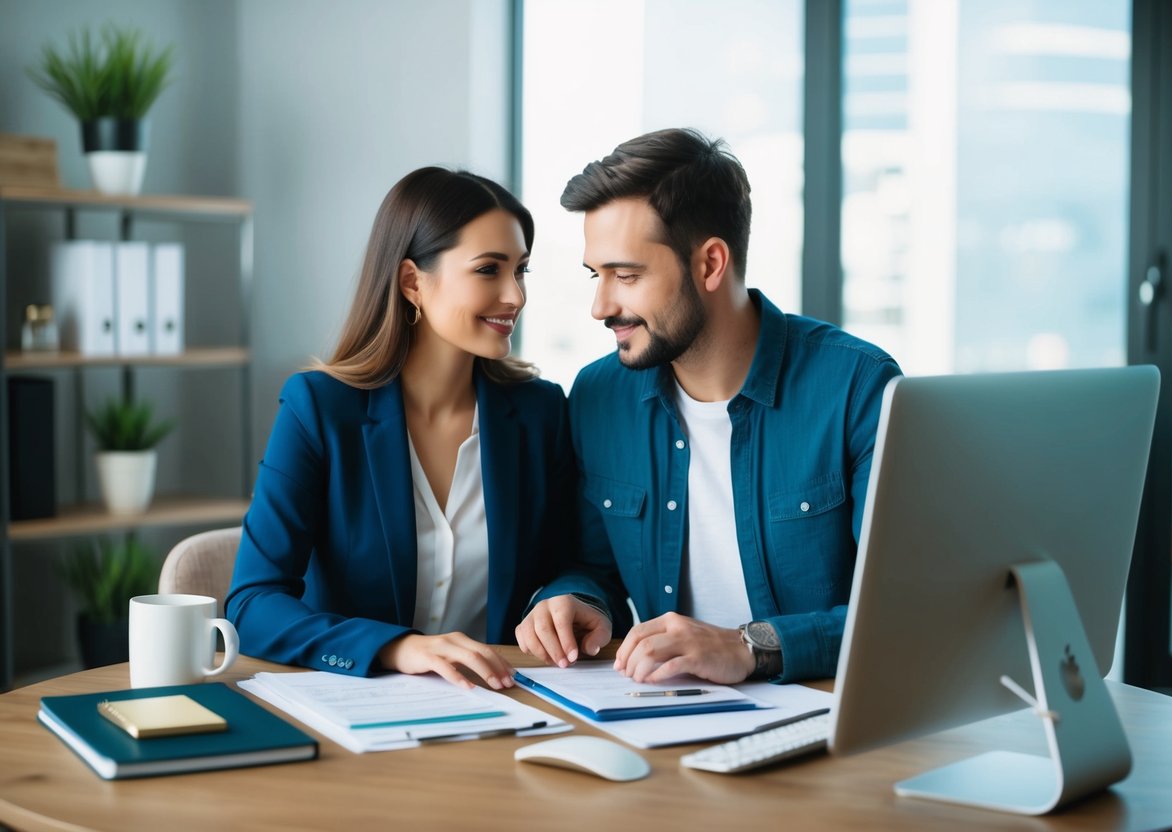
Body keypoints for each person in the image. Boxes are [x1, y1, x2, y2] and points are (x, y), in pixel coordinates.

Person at [515, 128, 902, 685]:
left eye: (626, 275)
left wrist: (751, 647)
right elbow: (590, 564)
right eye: (595, 275)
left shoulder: (858, 387)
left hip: (829, 722)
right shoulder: (599, 396)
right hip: (661, 717)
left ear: (710, 264)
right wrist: (575, 599)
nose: (601, 306)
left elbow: (901, 608)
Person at [227, 167, 574, 691]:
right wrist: (396, 647)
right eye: (488, 270)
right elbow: (252, 603)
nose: (515, 295)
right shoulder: (319, 408)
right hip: (361, 710)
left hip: (504, 706)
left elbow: (573, 564)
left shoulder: (540, 412)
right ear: (413, 281)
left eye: (521, 271)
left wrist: (567, 596)